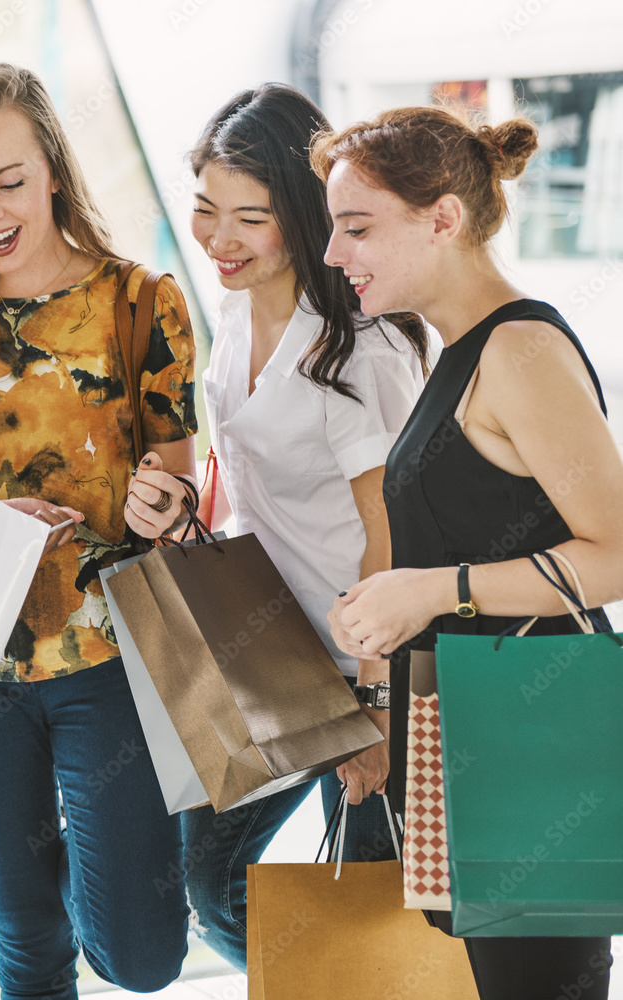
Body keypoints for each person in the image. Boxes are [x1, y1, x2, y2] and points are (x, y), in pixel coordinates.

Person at [0, 63, 197, 1000]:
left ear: (53, 172)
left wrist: (161, 504)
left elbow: (180, 486)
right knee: (23, 940)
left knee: (143, 958)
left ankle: (84, 857)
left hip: (109, 665)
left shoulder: (143, 302)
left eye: (8, 182)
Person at [314, 106, 618, 999]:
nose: (335, 255)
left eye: (357, 227)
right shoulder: (463, 351)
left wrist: (432, 591)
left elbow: (619, 552)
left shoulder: (518, 350)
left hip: (532, 739)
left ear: (443, 220)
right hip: (485, 729)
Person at [181, 83, 429, 970]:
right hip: (275, 654)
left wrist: (372, 705)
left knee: (368, 919)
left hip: (375, 664)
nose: (220, 240)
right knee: (209, 883)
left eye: (250, 216)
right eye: (207, 209)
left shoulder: (361, 347)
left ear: (304, 213)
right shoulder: (233, 308)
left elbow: (388, 538)